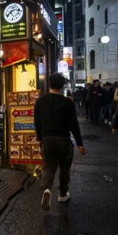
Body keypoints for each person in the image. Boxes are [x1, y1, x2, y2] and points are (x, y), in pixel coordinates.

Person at [34, 73, 87, 210]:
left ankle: (47, 189)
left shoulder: (40, 102)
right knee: (64, 168)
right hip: (63, 140)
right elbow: (74, 124)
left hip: (47, 139)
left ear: (49, 84)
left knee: (49, 168)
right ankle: (63, 194)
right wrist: (80, 144)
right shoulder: (67, 102)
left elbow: (37, 123)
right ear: (62, 86)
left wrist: (40, 139)